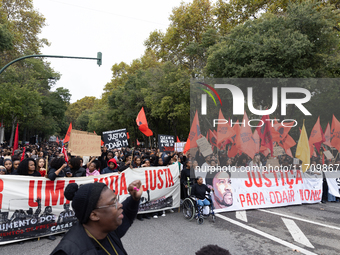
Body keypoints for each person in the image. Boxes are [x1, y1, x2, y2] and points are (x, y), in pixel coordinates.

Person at [50, 180, 143, 255]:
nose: (120, 205)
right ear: (94, 215)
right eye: (113, 203)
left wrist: (135, 198)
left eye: (117, 200)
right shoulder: (69, 251)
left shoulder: (107, 229)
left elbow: (127, 214)